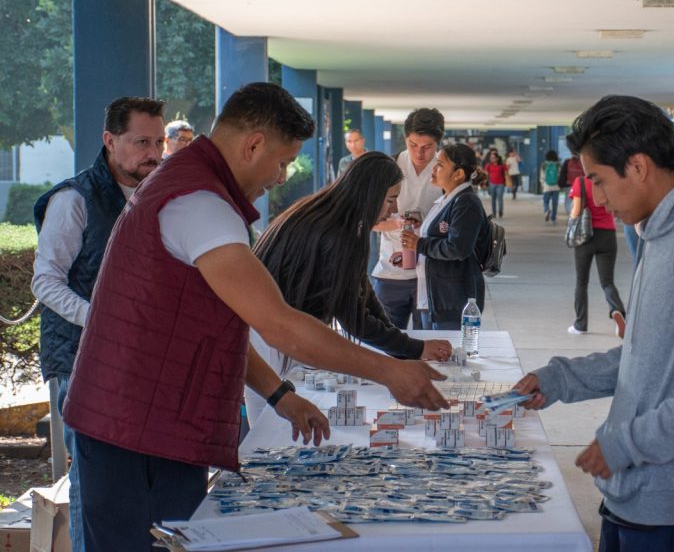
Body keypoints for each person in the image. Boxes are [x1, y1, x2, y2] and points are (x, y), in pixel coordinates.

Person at [61, 83, 448, 549]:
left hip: (152, 421)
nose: (282, 177)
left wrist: (279, 394)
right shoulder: (200, 204)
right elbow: (279, 325)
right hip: (133, 427)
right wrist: (390, 371)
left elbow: (210, 327)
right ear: (253, 145)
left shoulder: (190, 188)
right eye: (282, 162)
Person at [515, 95, 674, 551]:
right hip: (631, 491)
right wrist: (561, 378)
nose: (597, 198)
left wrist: (627, 444)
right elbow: (648, 355)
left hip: (671, 503)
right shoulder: (657, 233)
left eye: (599, 180)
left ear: (638, 166)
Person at [31, 96, 165, 552]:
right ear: (110, 140)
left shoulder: (159, 195)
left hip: (142, 360)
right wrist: (102, 319)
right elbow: (45, 282)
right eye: (142, 142)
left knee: (140, 482)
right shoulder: (73, 199)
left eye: (159, 142)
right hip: (82, 361)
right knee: (94, 486)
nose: (154, 152)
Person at [247, 151, 454, 420]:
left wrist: (401, 348)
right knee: (272, 428)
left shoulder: (338, 218)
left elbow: (361, 292)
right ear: (369, 195)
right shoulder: (337, 232)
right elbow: (354, 318)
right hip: (269, 339)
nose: (393, 210)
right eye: (390, 200)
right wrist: (412, 350)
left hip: (281, 331)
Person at [401, 144, 490, 330]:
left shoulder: (466, 202)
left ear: (458, 174)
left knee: (446, 347)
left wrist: (420, 245)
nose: (433, 169)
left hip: (452, 301)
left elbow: (457, 248)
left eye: (440, 165)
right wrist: (415, 252)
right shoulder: (446, 200)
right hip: (435, 296)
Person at [371, 108, 445, 330]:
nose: (419, 153)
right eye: (413, 145)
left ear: (438, 143)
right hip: (390, 272)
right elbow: (369, 220)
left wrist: (428, 227)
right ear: (405, 139)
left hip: (432, 273)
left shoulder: (446, 171)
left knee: (430, 341)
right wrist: (396, 224)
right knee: (385, 338)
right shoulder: (389, 167)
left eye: (427, 147)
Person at [567, 171, 626, 337]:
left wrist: (570, 221)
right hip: (608, 235)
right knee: (607, 281)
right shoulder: (609, 180)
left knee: (581, 281)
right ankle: (617, 310)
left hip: (585, 236)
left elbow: (576, 211)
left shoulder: (580, 182)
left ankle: (580, 324)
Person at [484, 150, 508, 218]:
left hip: (501, 184)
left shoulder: (502, 165)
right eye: (491, 158)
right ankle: (494, 213)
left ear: (497, 158)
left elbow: (506, 173)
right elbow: (486, 174)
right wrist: (485, 183)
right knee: (493, 199)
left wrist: (508, 181)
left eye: (493, 158)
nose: (492, 159)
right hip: (492, 184)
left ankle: (500, 211)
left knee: (500, 198)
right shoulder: (488, 165)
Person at [540, 150, 561, 223]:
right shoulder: (558, 164)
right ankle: (553, 218)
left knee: (545, 201)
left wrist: (543, 185)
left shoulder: (544, 164)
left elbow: (542, 176)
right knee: (555, 203)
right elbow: (559, 175)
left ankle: (547, 210)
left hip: (547, 186)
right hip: (556, 187)